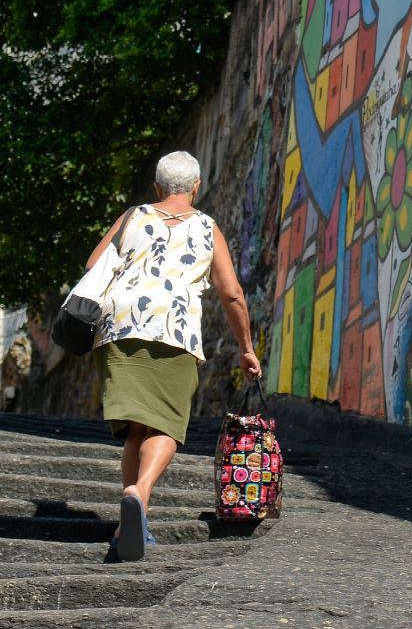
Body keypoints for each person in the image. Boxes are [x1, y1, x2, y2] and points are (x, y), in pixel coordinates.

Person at [85, 150, 262, 562]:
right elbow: (231, 293)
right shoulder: (206, 228)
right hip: (173, 328)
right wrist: (246, 348)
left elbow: (95, 263)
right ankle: (139, 495)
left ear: (157, 187)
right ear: (196, 187)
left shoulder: (132, 216)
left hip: (118, 326)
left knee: (136, 427)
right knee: (165, 424)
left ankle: (133, 523)